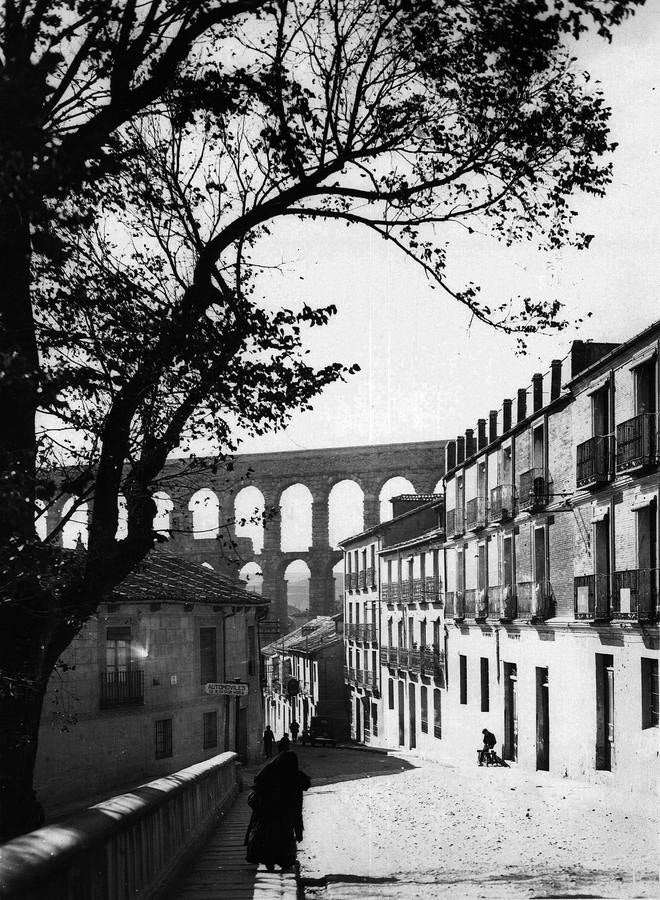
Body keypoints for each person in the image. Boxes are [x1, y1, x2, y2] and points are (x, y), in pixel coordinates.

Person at [245, 750, 311, 871]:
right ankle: (283, 862)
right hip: (285, 818)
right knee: (284, 839)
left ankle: (269, 861)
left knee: (267, 837)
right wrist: (299, 830)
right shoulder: (295, 779)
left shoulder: (267, 774)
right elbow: (297, 808)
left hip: (267, 815)